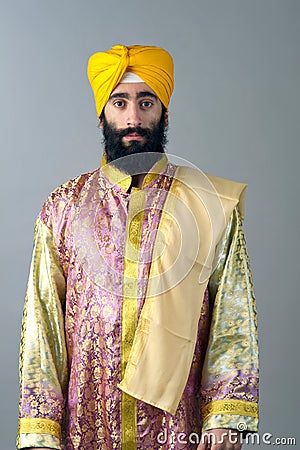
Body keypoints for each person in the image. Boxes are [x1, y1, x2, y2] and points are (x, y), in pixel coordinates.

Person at [16, 44, 259, 450]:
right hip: (86, 425)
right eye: (120, 102)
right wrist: (40, 432)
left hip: (180, 425)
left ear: (164, 111)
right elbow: (44, 324)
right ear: (102, 114)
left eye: (147, 102)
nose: (133, 117)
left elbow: (233, 316)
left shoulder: (208, 203)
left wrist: (225, 415)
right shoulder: (64, 207)